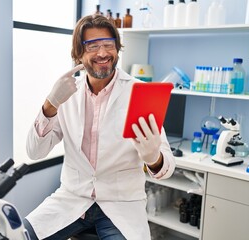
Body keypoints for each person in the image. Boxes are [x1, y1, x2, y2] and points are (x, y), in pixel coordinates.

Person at [24, 14, 176, 240]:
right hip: (72, 199)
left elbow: (167, 168)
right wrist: (50, 103)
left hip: (120, 205)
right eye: (93, 46)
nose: (103, 53)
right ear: (79, 54)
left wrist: (153, 157)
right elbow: (34, 152)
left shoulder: (139, 93)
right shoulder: (66, 94)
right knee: (18, 235)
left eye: (108, 45)